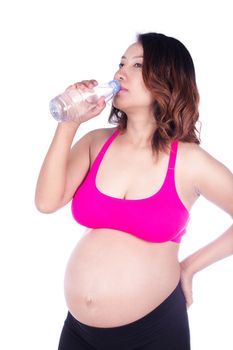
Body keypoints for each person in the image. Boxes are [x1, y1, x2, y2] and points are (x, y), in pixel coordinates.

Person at [35, 32, 233, 350]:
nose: (120, 73)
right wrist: (68, 124)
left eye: (137, 64)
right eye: (121, 63)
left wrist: (190, 267)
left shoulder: (190, 161)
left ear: (168, 79)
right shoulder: (96, 142)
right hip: (79, 333)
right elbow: (46, 202)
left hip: (153, 333)